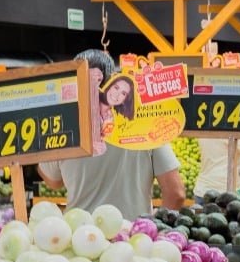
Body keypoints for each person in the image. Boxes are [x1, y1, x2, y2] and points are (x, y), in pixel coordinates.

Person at [39, 50, 185, 219]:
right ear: (113, 79)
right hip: (131, 233)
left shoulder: (62, 125)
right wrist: (152, 225)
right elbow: (176, 194)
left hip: (80, 231)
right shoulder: (147, 123)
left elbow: (54, 182)